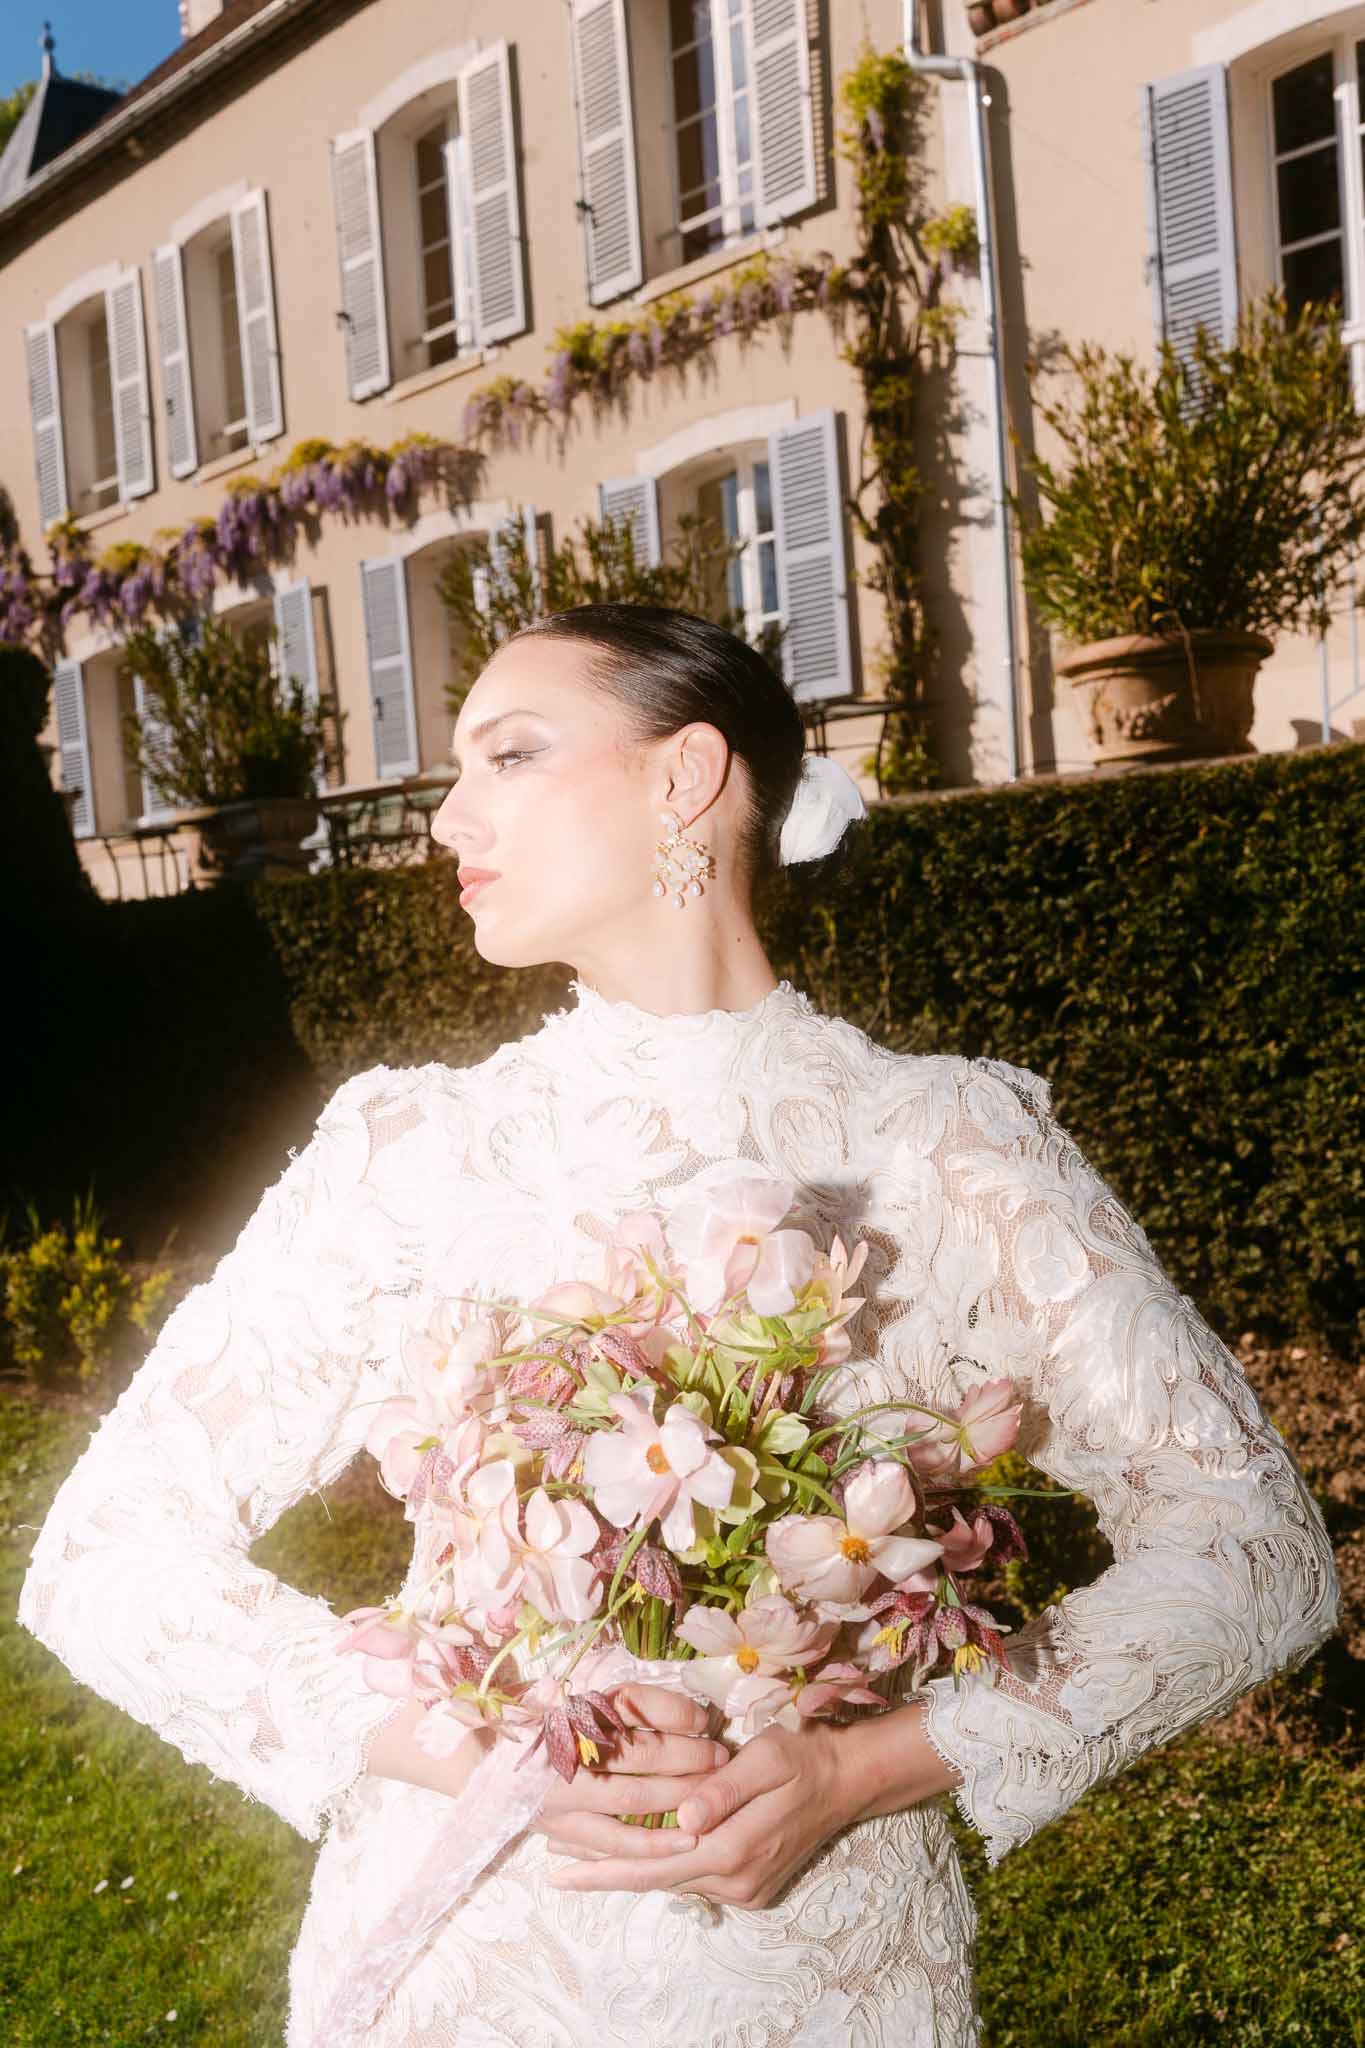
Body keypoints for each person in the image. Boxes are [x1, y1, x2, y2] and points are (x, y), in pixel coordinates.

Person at [17, 605, 1339, 2047]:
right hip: (467, 1963)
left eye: (507, 755)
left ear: (683, 777)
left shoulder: (943, 1146)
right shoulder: (409, 1153)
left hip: (817, 1973)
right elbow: (106, 1553)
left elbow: (1248, 1543)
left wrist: (870, 1768)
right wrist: (472, 1747)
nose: (451, 815)